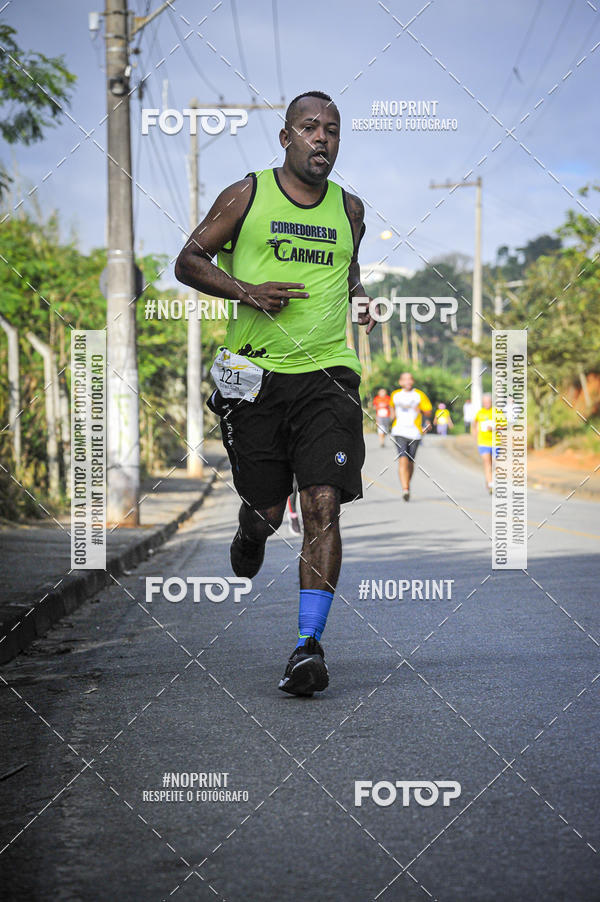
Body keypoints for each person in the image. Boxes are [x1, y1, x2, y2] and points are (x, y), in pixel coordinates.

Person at [175, 90, 376, 697]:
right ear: (286, 137)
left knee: (322, 504)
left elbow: (349, 272)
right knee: (268, 511)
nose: (322, 139)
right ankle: (252, 523)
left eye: (333, 130)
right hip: (254, 377)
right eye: (310, 128)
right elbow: (187, 260)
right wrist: (245, 290)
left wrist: (359, 298)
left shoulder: (352, 209)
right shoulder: (249, 195)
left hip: (327, 376)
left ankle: (307, 646)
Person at [389, 372, 432, 501]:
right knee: (403, 459)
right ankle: (405, 489)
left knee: (411, 461)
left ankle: (407, 484)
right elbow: (392, 408)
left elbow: (428, 411)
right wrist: (391, 417)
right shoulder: (395, 395)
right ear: (400, 382)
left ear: (412, 381)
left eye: (410, 379)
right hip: (399, 431)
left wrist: (422, 411)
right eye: (405, 380)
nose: (407, 382)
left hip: (415, 432)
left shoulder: (419, 395)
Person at [472, 393, 506, 493]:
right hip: (483, 442)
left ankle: (489, 479)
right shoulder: (480, 413)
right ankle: (491, 484)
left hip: (496, 442)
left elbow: (504, 425)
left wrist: (494, 427)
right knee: (487, 462)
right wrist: (475, 435)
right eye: (485, 402)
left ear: (491, 402)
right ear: (483, 402)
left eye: (488, 402)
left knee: (494, 463)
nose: (486, 403)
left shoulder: (497, 411)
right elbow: (474, 424)